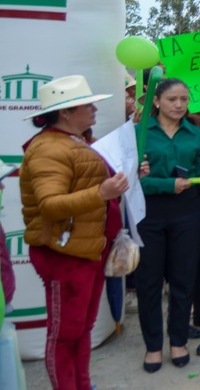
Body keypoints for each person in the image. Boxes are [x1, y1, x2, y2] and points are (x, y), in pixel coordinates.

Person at [20, 75, 129, 390]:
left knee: (81, 329)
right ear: (66, 112)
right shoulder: (48, 149)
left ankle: (82, 383)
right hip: (65, 256)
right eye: (87, 104)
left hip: (86, 250)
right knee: (66, 333)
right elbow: (51, 206)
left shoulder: (78, 141)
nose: (95, 108)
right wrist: (103, 192)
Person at [135, 79, 200, 372]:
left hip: (186, 212)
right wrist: (168, 183)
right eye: (172, 99)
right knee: (149, 283)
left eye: (183, 99)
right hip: (148, 213)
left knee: (183, 279)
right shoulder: (138, 134)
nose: (179, 105)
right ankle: (153, 346)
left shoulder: (194, 133)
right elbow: (132, 178)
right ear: (156, 101)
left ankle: (178, 340)